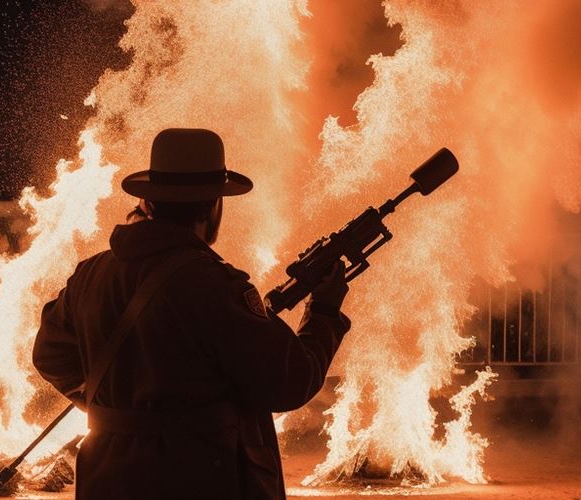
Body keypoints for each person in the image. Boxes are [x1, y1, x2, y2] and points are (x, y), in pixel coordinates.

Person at [33, 129, 351, 499]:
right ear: (212, 206)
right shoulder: (216, 286)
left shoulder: (90, 274)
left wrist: (115, 410)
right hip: (200, 477)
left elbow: (50, 355)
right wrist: (324, 311)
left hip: (108, 478)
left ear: (148, 204)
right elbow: (291, 381)